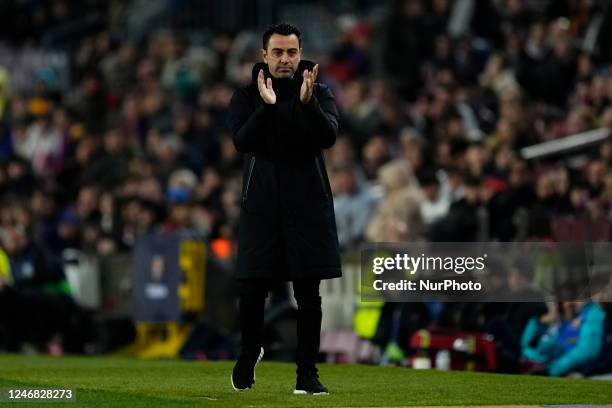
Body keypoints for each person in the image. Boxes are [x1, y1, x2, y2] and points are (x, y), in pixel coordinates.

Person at [226, 23, 342, 395]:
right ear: (264, 56)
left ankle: (306, 375)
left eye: (291, 52)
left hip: (308, 207)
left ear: (300, 53)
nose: (285, 59)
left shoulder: (319, 92)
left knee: (308, 294)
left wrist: (307, 106)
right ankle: (249, 352)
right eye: (277, 52)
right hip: (261, 207)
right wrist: (266, 107)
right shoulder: (246, 97)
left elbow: (328, 136)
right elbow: (242, 141)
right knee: (252, 288)